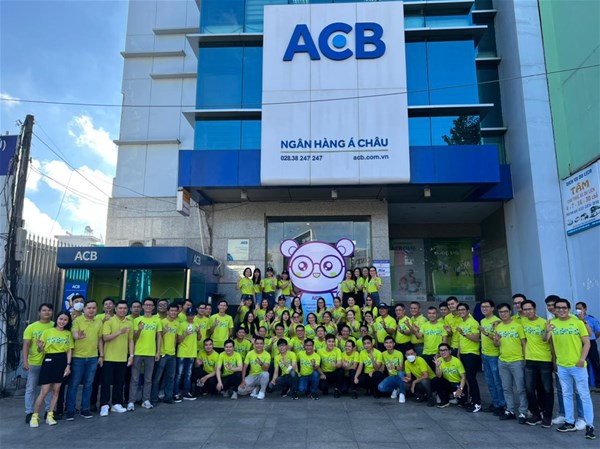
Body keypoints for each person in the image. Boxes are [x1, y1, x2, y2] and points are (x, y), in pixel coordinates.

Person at [544, 298, 595, 439]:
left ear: (569, 309)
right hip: (562, 366)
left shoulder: (577, 322)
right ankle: (569, 422)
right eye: (558, 308)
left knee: (584, 395)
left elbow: (587, 343)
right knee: (566, 394)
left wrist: (582, 359)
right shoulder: (552, 323)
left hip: (577, 366)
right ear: (555, 309)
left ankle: (589, 425)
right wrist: (547, 331)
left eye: (564, 307)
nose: (561, 310)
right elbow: (545, 339)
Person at [29, 312, 73, 428]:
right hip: (49, 360)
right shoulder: (47, 332)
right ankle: (35, 416)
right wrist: (39, 347)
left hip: (62, 360)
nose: (62, 321)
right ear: (57, 319)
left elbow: (69, 350)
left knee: (56, 390)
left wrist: (68, 365)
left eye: (65, 320)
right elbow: (40, 350)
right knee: (44, 391)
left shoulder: (68, 333)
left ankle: (50, 415)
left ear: (68, 322)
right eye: (60, 319)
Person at [66, 299, 103, 420]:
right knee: (74, 384)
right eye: (89, 308)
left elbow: (100, 340)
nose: (91, 310)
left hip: (93, 357)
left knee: (88, 384)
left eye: (94, 308)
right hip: (78, 358)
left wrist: (101, 355)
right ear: (84, 309)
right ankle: (70, 410)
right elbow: (75, 334)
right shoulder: (77, 320)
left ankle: (85, 409)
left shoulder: (98, 321)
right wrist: (79, 337)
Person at [521, 299, 554, 427]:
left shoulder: (544, 322)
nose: (528, 311)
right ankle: (536, 414)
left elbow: (548, 340)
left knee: (547, 389)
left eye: (530, 309)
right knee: (529, 389)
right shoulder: (522, 321)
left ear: (535, 309)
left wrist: (554, 360)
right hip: (530, 360)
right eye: (525, 309)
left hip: (544, 360)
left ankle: (548, 415)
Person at [494, 302, 528, 424]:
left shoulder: (518, 326)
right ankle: (510, 410)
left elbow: (524, 343)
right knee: (506, 388)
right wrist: (496, 340)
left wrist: (525, 359)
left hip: (517, 360)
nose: (503, 314)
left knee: (520, 388)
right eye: (500, 312)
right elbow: (496, 344)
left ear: (510, 312)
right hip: (503, 361)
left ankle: (523, 412)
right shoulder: (498, 327)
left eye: (505, 311)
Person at [127, 298, 162, 411]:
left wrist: (158, 351)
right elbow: (133, 337)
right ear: (143, 307)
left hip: (151, 353)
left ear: (153, 307)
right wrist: (139, 330)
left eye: (150, 305)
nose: (148, 307)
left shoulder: (157, 320)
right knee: (134, 378)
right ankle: (131, 401)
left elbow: (159, 336)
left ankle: (145, 400)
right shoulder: (137, 320)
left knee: (148, 379)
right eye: (146, 305)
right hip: (138, 352)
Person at [100, 300, 134, 417]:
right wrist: (119, 332)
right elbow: (105, 338)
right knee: (106, 382)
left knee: (119, 382)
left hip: (122, 358)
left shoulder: (129, 323)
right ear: (115, 309)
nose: (122, 310)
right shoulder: (109, 321)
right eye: (120, 308)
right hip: (109, 357)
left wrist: (131, 355)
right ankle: (104, 405)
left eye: (124, 308)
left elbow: (130, 340)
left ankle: (117, 403)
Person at [23, 303, 54, 424]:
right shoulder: (31, 327)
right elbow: (26, 345)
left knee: (48, 389)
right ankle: (29, 412)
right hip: (34, 362)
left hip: (50, 363)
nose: (47, 312)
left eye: (49, 310)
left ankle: (48, 411)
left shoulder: (55, 325)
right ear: (39, 312)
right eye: (44, 310)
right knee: (31, 388)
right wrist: (25, 361)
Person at [478, 300, 505, 415]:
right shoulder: (483, 320)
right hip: (485, 355)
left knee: (497, 382)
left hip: (494, 355)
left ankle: (502, 405)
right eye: (482, 307)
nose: (484, 309)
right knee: (489, 382)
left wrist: (485, 333)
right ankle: (495, 403)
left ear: (492, 308)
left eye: (487, 307)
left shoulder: (497, 321)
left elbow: (497, 339)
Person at [151, 302, 179, 404]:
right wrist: (164, 332)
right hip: (162, 353)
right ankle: (154, 398)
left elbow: (175, 338)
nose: (173, 312)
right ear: (167, 312)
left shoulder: (177, 323)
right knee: (157, 378)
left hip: (172, 354)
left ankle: (168, 397)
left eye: (175, 311)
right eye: (171, 310)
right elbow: (156, 338)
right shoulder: (161, 322)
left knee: (170, 377)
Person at [456, 303, 482, 413]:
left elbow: (476, 338)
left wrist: (464, 334)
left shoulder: (473, 322)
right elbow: (460, 340)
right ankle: (472, 400)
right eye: (459, 310)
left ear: (468, 311)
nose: (461, 312)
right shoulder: (461, 323)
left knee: (471, 378)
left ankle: (477, 403)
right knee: (467, 379)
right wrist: (459, 353)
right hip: (463, 353)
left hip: (472, 353)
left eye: (463, 309)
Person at [174, 307, 201, 401]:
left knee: (188, 374)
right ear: (186, 315)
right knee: (179, 374)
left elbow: (199, 338)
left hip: (192, 352)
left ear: (194, 315)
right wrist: (185, 334)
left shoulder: (196, 324)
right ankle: (175, 393)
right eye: (188, 315)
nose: (190, 316)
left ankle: (187, 392)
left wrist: (198, 332)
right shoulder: (181, 324)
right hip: (182, 352)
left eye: (192, 314)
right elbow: (178, 340)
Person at [432, 343, 467, 408]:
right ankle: (445, 401)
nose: (443, 352)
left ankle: (453, 397)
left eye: (445, 350)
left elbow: (463, 377)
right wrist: (437, 366)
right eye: (441, 350)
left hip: (457, 384)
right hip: (448, 384)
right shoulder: (439, 360)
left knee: (462, 401)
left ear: (450, 351)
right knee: (436, 380)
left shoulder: (457, 361)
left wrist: (460, 389)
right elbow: (439, 376)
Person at [575, 301, 600, 390]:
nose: (578, 310)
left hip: (591, 342)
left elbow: (598, 331)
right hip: (579, 343)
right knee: (581, 363)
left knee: (595, 362)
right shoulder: (574, 319)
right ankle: (585, 385)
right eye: (576, 308)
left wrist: (593, 339)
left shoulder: (591, 319)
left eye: (580, 308)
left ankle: (598, 384)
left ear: (585, 309)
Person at [415, 306, 447, 370]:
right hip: (425, 353)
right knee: (427, 372)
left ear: (437, 314)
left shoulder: (442, 325)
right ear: (427, 314)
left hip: (437, 354)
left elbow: (445, 341)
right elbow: (419, 336)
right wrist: (415, 331)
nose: (431, 315)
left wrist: (440, 353)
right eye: (429, 313)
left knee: (438, 373)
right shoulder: (424, 325)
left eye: (433, 313)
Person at [377, 336, 405, 403]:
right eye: (386, 343)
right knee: (380, 387)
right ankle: (396, 388)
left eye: (390, 342)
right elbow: (382, 368)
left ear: (394, 344)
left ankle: (402, 393)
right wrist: (373, 371)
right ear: (384, 344)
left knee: (400, 373)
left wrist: (394, 367)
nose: (388, 344)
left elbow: (401, 368)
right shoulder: (383, 354)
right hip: (391, 376)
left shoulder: (399, 353)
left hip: (399, 375)